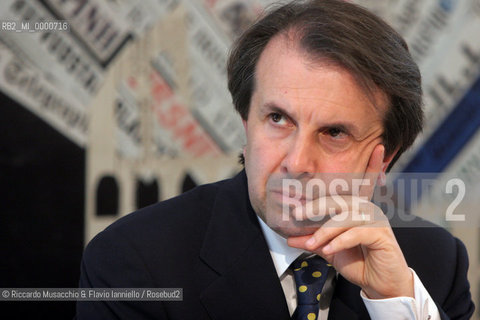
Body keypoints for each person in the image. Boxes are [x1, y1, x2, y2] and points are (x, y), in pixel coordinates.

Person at [76, 0, 474, 319]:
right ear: (246, 121)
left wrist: (394, 304)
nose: (297, 162)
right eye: (278, 119)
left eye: (334, 133)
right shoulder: (135, 262)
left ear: (383, 159)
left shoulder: (432, 264)